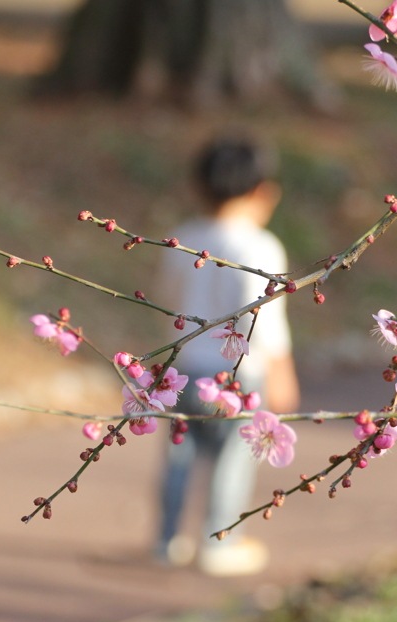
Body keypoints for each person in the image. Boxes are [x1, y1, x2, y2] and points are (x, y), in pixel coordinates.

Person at [154, 134, 300, 577]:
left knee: (179, 455)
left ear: (198, 188)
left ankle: (167, 540)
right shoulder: (260, 246)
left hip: (182, 369)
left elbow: (167, 301)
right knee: (231, 461)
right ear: (264, 192)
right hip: (237, 374)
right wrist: (281, 374)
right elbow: (265, 321)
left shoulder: (182, 241)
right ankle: (219, 539)